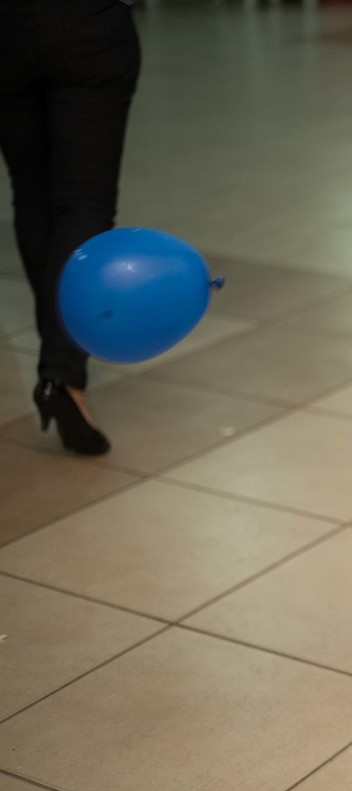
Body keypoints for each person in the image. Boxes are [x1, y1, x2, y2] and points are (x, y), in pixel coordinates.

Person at [0, 0, 141, 455]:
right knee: (85, 204)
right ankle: (61, 373)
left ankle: (57, 358)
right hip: (87, 23)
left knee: (32, 198)